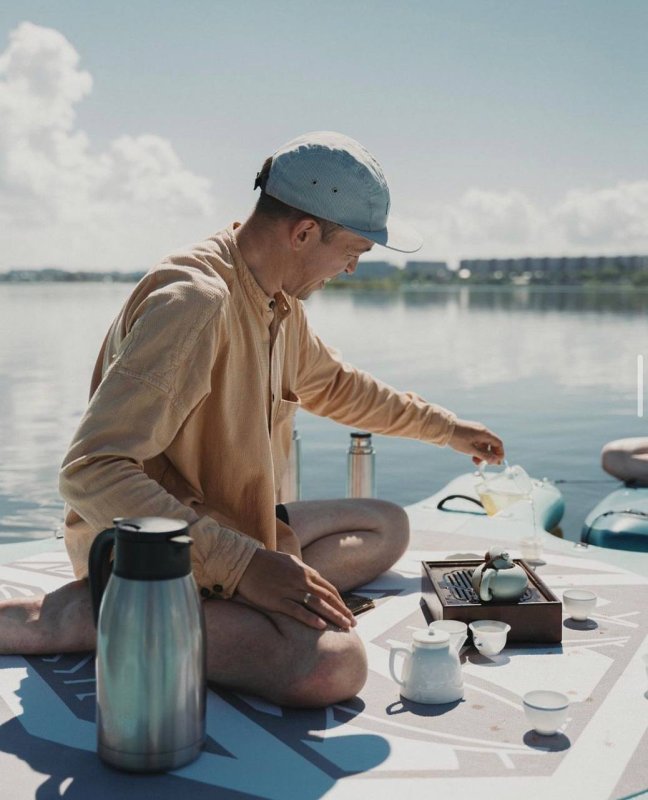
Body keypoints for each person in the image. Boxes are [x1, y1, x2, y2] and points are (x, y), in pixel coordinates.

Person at [0, 132, 504, 707]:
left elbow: (337, 386)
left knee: (387, 525)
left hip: (230, 528)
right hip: (146, 559)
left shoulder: (278, 300)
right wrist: (244, 565)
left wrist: (447, 428)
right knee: (334, 667)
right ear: (304, 232)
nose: (352, 270)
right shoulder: (195, 302)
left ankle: (241, 596)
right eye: (354, 252)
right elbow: (91, 471)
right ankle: (84, 617)